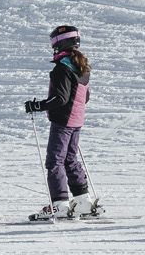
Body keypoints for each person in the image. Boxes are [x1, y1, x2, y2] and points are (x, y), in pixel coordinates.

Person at [24, 25, 100, 220]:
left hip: (63, 122)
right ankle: (83, 201)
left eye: (53, 43)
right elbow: (85, 97)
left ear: (60, 43)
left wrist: (37, 106)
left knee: (54, 161)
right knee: (70, 159)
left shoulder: (61, 69)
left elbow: (60, 99)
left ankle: (59, 204)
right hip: (76, 121)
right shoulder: (82, 68)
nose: (52, 47)